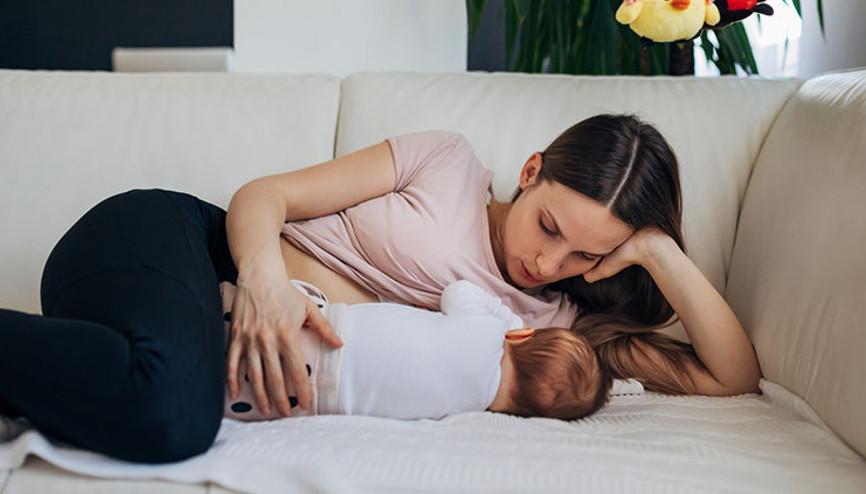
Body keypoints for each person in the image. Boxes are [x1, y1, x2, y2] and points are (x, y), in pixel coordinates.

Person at [0, 113, 761, 463]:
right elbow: (263, 196)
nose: (548, 263)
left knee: (171, 405)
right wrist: (264, 280)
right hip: (179, 248)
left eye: (585, 256)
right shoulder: (447, 162)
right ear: (530, 172)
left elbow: (731, 377)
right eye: (550, 226)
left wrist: (657, 252)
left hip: (192, 334)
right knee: (172, 411)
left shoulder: (554, 327)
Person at [222, 280, 611, 422]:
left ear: (525, 336)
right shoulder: (466, 411)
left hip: (329, 332)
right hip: (317, 400)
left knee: (236, 310)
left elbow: (456, 293)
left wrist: (507, 320)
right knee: (243, 388)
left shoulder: (489, 330)